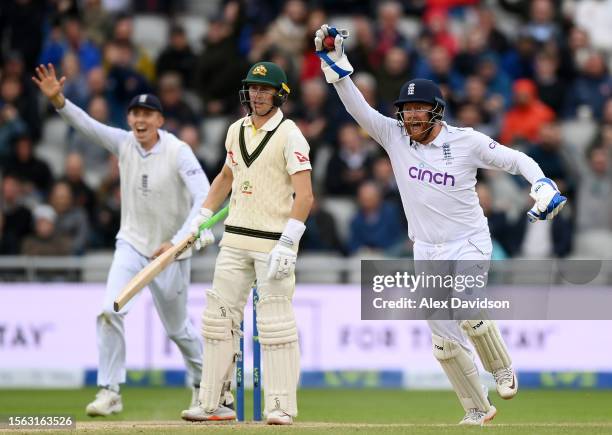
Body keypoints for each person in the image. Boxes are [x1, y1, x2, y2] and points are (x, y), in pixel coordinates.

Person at [315, 25, 567, 426]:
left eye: (418, 109)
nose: (410, 115)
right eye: (406, 109)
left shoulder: (465, 141)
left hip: (467, 241)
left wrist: (541, 184)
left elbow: (516, 159)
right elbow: (357, 108)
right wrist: (336, 62)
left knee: (468, 306)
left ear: (436, 110)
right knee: (444, 342)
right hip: (426, 250)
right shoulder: (394, 136)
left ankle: (501, 367)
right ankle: (477, 407)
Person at [32, 63, 214, 416]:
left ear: (160, 120)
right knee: (108, 310)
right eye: (135, 113)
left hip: (171, 252)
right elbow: (87, 126)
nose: (140, 120)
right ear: (129, 118)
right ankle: (110, 390)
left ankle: (204, 386)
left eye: (148, 114)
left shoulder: (178, 151)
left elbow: (204, 197)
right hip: (131, 244)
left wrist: (177, 242)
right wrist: (59, 100)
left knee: (178, 330)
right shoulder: (124, 143)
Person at [181, 61, 313, 425]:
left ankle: (280, 406)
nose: (256, 95)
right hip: (235, 238)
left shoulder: (290, 135)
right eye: (253, 89)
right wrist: (201, 216)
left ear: (279, 94)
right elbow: (226, 176)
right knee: (217, 320)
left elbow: (305, 197)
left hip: (273, 243)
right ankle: (214, 403)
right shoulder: (235, 129)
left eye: (264, 89)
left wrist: (289, 242)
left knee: (276, 325)